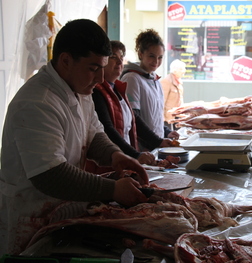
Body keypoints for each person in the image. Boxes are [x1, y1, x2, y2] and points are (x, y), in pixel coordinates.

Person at [0, 19, 150, 255]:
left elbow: (94, 133)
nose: (101, 78)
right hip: (31, 216)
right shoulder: (37, 102)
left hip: (62, 211)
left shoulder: (81, 90)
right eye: (93, 68)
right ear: (66, 61)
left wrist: (116, 155)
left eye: (103, 67)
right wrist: (113, 190)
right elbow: (49, 174)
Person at [88, 40, 174, 173]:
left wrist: (158, 141)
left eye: (121, 58)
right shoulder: (97, 92)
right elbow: (108, 130)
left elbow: (134, 120)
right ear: (102, 62)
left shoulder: (117, 88)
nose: (119, 62)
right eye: (113, 57)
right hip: (108, 165)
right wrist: (135, 154)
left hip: (125, 159)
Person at [120, 28, 179, 140]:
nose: (156, 61)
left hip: (156, 145)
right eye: (151, 56)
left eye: (160, 57)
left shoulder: (155, 80)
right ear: (141, 54)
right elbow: (133, 118)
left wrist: (166, 132)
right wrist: (155, 141)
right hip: (142, 148)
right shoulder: (132, 78)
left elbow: (155, 118)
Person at [160, 59, 186, 129]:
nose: (184, 71)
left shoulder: (179, 82)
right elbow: (162, 100)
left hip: (178, 115)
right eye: (181, 69)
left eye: (184, 68)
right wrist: (162, 117)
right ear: (174, 70)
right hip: (168, 117)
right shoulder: (166, 81)